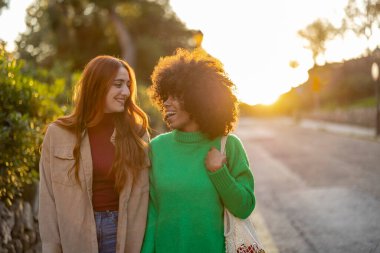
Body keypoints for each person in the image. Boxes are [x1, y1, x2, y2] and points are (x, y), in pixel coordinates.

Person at [141, 49, 256, 252]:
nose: (166, 102)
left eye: (175, 96)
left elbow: (244, 206)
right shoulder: (157, 148)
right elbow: (151, 213)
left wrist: (219, 173)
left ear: (198, 99)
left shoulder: (228, 145)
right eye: (165, 96)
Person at [39, 55, 150, 253]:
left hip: (120, 233)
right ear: (97, 86)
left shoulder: (137, 134)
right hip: (74, 233)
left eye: (128, 85)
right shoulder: (58, 133)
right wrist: (51, 248)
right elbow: (48, 197)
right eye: (118, 84)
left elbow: (144, 197)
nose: (125, 92)